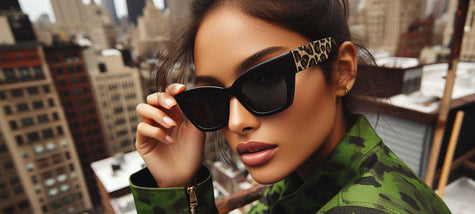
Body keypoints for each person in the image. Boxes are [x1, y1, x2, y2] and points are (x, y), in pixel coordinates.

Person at [130, 0, 451, 213]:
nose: (236, 121)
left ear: (342, 70)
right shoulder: (299, 181)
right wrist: (174, 186)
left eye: (266, 79)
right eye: (212, 97)